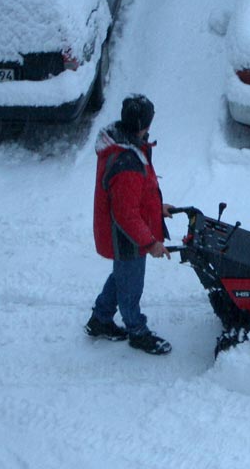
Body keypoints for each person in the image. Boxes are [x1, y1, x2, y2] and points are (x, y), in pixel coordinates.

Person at [85, 94, 173, 355]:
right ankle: (137, 331)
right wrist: (150, 243)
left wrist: (159, 207)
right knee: (131, 283)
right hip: (126, 236)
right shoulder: (127, 161)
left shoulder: (129, 145)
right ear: (143, 124)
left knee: (122, 276)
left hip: (126, 232)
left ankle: (100, 319)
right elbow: (125, 214)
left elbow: (136, 196)